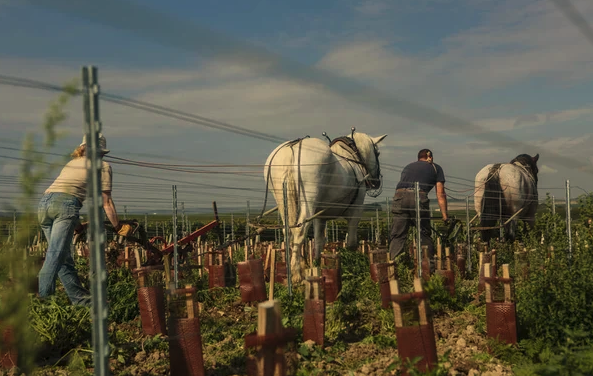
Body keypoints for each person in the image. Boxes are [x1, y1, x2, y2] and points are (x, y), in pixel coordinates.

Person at [37, 133, 131, 306]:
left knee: (63, 259)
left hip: (44, 204)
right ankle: (43, 305)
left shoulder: (71, 163)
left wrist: (78, 226)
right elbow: (106, 201)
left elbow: (64, 193)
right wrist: (118, 226)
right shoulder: (102, 166)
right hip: (65, 206)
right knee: (55, 256)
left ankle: (82, 302)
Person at [388, 149, 449, 270]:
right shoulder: (436, 167)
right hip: (418, 196)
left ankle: (394, 268)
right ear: (429, 157)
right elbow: (440, 193)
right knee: (424, 233)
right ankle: (428, 269)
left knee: (398, 234)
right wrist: (444, 215)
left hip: (399, 196)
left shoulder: (408, 167)